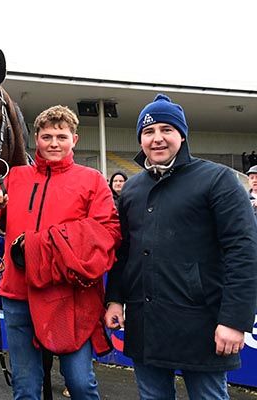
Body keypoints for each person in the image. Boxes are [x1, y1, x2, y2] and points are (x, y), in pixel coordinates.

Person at [105, 94, 257, 400]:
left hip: (202, 326)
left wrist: (234, 320)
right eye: (148, 132)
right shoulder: (133, 188)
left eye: (166, 130)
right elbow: (124, 252)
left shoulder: (218, 180)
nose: (157, 138)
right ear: (140, 139)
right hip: (145, 325)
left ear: (182, 135)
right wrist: (115, 299)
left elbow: (244, 251)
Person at [0, 105, 120, 400]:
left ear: (74, 140)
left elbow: (109, 233)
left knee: (80, 383)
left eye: (61, 137)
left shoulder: (91, 180)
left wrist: (46, 243)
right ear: (36, 139)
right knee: (25, 388)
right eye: (47, 136)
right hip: (18, 295)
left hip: (68, 296)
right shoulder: (14, 177)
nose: (54, 143)